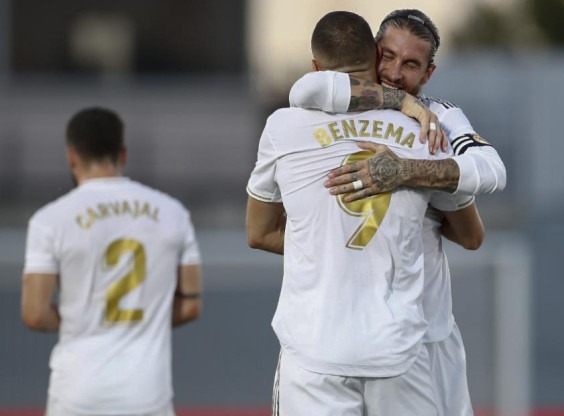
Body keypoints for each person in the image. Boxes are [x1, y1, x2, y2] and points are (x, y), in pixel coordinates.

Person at [246, 11, 483, 415]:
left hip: (313, 351)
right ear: (374, 56)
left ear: (317, 67)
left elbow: (258, 233)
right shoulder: (424, 132)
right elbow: (470, 235)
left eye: (408, 63)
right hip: (402, 347)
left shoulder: (282, 128)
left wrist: (328, 246)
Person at [22, 108, 202, 416]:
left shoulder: (49, 220)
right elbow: (190, 305)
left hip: (77, 393)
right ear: (123, 153)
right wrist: (147, 319)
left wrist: (84, 316)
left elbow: (35, 314)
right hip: (147, 394)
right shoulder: (173, 213)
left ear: (72, 156)